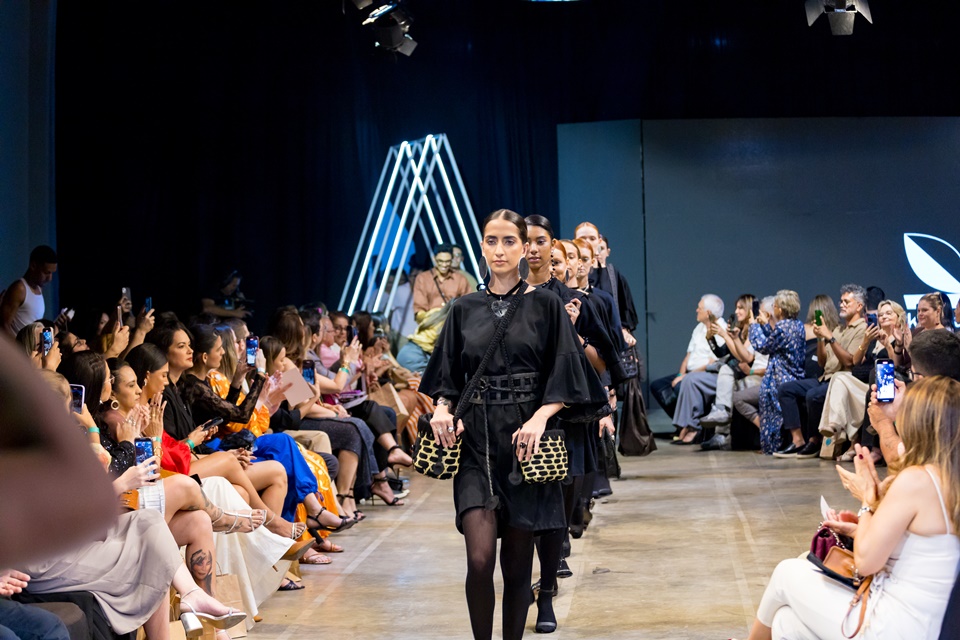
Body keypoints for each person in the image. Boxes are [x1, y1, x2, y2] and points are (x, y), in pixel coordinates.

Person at [421, 209, 607, 640]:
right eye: (491, 241)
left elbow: (567, 372)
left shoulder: (546, 305)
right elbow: (447, 377)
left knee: (519, 567)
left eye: (509, 241)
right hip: (477, 443)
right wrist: (443, 408)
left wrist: (541, 417)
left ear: (524, 248)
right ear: (482, 247)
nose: (499, 250)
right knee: (479, 561)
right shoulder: (463, 309)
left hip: (527, 444)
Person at [737, 376, 960, 640]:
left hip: (894, 626)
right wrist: (858, 529)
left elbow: (866, 563)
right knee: (786, 624)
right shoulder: (947, 479)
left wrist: (867, 499)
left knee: (786, 573)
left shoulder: (917, 480)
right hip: (925, 626)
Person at [776, 284, 867, 459]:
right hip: (825, 377)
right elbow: (822, 362)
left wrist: (830, 337)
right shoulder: (839, 329)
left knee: (814, 395)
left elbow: (850, 361)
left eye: (846, 302)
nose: (842, 305)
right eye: (841, 301)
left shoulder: (862, 329)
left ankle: (814, 440)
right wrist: (820, 338)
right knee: (786, 389)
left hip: (842, 380)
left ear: (859, 306)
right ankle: (797, 440)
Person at [868, 329, 960, 465]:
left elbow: (903, 462)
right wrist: (900, 413)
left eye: (911, 373)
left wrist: (883, 423)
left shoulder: (937, 415)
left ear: (921, 380)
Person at [701, 294, 768, 451]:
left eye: (740, 308)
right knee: (726, 372)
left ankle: (722, 432)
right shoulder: (740, 328)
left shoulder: (755, 329)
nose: (736, 311)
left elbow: (744, 357)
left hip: (749, 373)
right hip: (738, 371)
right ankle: (722, 431)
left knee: (727, 373)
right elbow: (722, 352)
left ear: (749, 310)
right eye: (736, 308)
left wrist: (726, 336)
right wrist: (711, 338)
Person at [659, 295, 727, 444]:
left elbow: (714, 361)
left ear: (708, 313)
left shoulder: (720, 329)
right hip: (691, 372)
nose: (696, 310)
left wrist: (684, 377)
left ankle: (692, 427)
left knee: (686, 382)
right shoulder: (699, 328)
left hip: (708, 373)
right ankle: (683, 425)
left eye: (699, 308)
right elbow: (688, 355)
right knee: (659, 386)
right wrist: (680, 374)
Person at [398, 243, 471, 373]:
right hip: (428, 335)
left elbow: (468, 309)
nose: (444, 265)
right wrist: (438, 315)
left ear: (452, 259)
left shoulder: (460, 280)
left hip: (452, 335)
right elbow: (419, 312)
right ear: (434, 259)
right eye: (440, 261)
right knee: (410, 362)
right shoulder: (423, 279)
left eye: (447, 261)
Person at [748, 290, 806, 455]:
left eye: (775, 305)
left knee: (768, 403)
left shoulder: (782, 327)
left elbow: (764, 347)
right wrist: (766, 325)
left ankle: (772, 446)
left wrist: (753, 326)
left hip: (780, 376)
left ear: (780, 309)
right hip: (794, 374)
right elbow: (777, 341)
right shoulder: (797, 325)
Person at [1, 245, 59, 337]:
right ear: (33, 266)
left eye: (51, 273)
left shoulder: (39, 289)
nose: (50, 278)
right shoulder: (19, 289)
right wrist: (18, 345)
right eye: (46, 273)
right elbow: (4, 325)